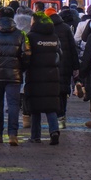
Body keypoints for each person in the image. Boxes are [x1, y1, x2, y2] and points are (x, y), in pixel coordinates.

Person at [0, 7, 25, 145]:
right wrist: (21, 68)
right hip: (14, 74)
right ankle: (13, 134)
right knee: (13, 105)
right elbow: (25, 55)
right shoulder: (20, 34)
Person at [24, 12, 61, 145]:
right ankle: (54, 130)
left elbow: (26, 55)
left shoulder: (30, 37)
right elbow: (59, 54)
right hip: (52, 75)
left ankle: (35, 136)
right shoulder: (54, 37)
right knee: (50, 106)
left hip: (35, 75)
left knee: (35, 107)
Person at [50, 8, 79, 129]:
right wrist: (76, 67)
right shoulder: (66, 28)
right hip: (65, 64)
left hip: (50, 64)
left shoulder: (47, 28)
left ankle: (55, 117)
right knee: (63, 91)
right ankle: (62, 117)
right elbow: (73, 48)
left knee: (52, 92)